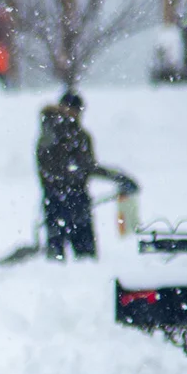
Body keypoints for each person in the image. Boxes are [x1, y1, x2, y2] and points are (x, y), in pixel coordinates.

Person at [36, 91, 123, 260]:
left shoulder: (75, 134)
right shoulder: (56, 133)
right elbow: (83, 166)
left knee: (81, 255)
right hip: (63, 197)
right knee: (63, 255)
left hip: (68, 197)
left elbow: (86, 166)